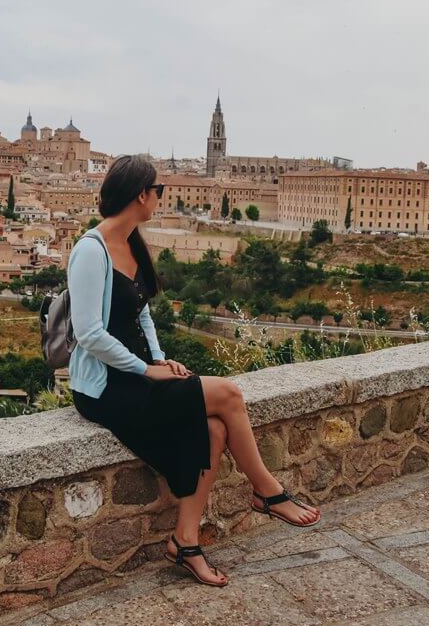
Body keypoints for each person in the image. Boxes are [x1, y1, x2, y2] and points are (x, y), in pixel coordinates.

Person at [66, 154, 320, 588]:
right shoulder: (91, 250)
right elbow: (88, 333)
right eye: (159, 190)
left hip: (140, 373)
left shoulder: (132, 244)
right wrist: (147, 371)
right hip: (105, 386)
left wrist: (161, 358)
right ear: (140, 194)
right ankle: (267, 491)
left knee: (216, 432)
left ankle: (185, 542)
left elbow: (142, 313)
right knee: (229, 395)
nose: (162, 197)